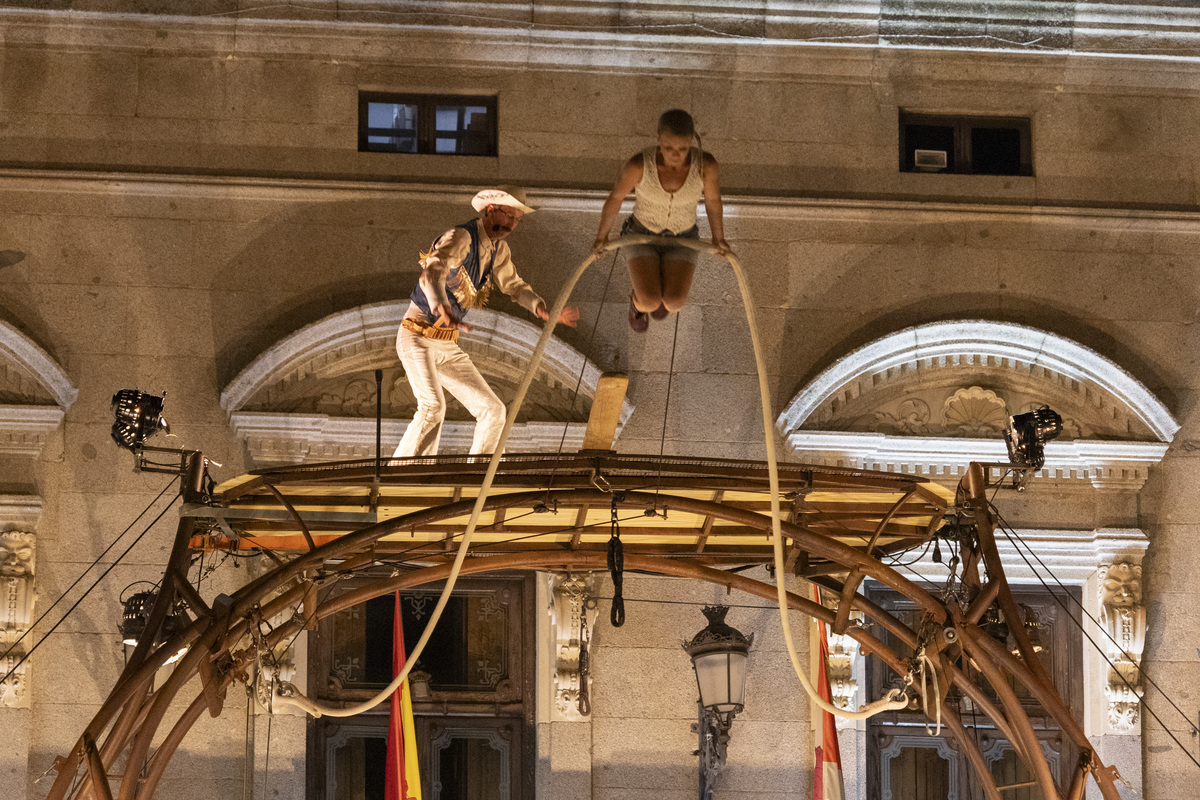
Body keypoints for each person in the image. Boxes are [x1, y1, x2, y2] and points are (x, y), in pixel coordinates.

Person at [393, 187, 580, 458]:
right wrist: (440, 305)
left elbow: (514, 286)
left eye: (517, 220)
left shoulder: (498, 250)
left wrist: (541, 310)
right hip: (418, 332)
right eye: (509, 216)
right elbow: (431, 273)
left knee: (494, 410)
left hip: (446, 345)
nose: (512, 225)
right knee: (432, 407)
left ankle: (478, 475)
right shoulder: (461, 237)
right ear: (491, 209)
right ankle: (405, 477)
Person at [592, 109, 729, 332]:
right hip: (642, 234)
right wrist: (601, 237)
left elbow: (713, 201)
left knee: (673, 303)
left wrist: (718, 238)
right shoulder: (639, 165)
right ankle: (638, 301)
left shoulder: (706, 166)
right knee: (649, 301)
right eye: (668, 148)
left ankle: (658, 290)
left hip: (683, 236)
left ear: (692, 144)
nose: (675, 154)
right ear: (658, 140)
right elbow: (616, 198)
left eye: (683, 149)